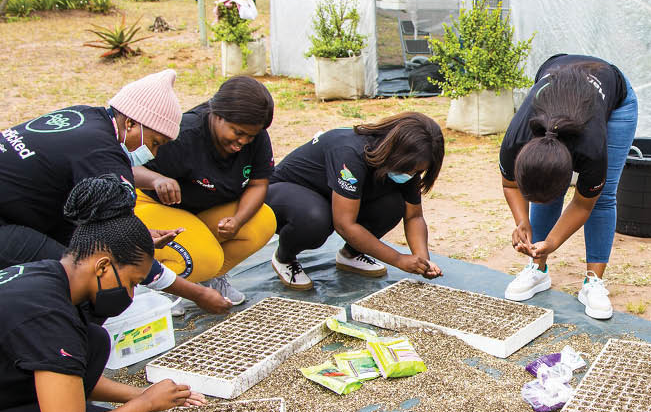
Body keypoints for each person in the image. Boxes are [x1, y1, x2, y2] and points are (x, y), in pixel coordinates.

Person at [0, 176, 204, 412]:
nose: (130, 293)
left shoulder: (51, 277)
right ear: (104, 266)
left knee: (91, 343)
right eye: (132, 282)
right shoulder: (48, 317)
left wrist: (141, 393)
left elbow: (67, 378)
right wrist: (144, 405)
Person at [0, 69, 230, 315]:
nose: (152, 155)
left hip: (16, 208)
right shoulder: (104, 155)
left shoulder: (85, 115)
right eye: (155, 143)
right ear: (130, 123)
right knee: (81, 278)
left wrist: (134, 231)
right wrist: (198, 293)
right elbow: (125, 251)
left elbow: (92, 222)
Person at [499, 54, 638, 320]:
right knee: (546, 195)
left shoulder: (591, 150)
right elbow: (509, 184)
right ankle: (537, 270)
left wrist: (552, 241)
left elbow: (585, 202)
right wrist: (521, 221)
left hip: (613, 94)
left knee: (603, 195)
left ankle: (592, 282)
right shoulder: (515, 142)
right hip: (559, 73)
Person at [133, 76, 277, 306]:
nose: (243, 141)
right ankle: (162, 283)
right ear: (216, 114)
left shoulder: (255, 137)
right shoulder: (183, 134)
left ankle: (207, 278)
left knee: (263, 221)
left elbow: (258, 183)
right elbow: (127, 170)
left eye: (251, 136)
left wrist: (238, 220)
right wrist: (157, 179)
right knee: (206, 256)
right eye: (237, 132)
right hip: (151, 206)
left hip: (201, 210)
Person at [266, 112, 444, 289]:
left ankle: (350, 255)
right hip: (287, 193)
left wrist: (423, 260)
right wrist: (398, 259)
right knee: (316, 218)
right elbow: (344, 224)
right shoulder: (350, 152)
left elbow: (414, 216)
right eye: (410, 170)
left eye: (417, 171)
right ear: (396, 154)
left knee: (393, 205)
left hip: (334, 197)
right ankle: (284, 257)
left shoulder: (409, 163)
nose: (411, 175)